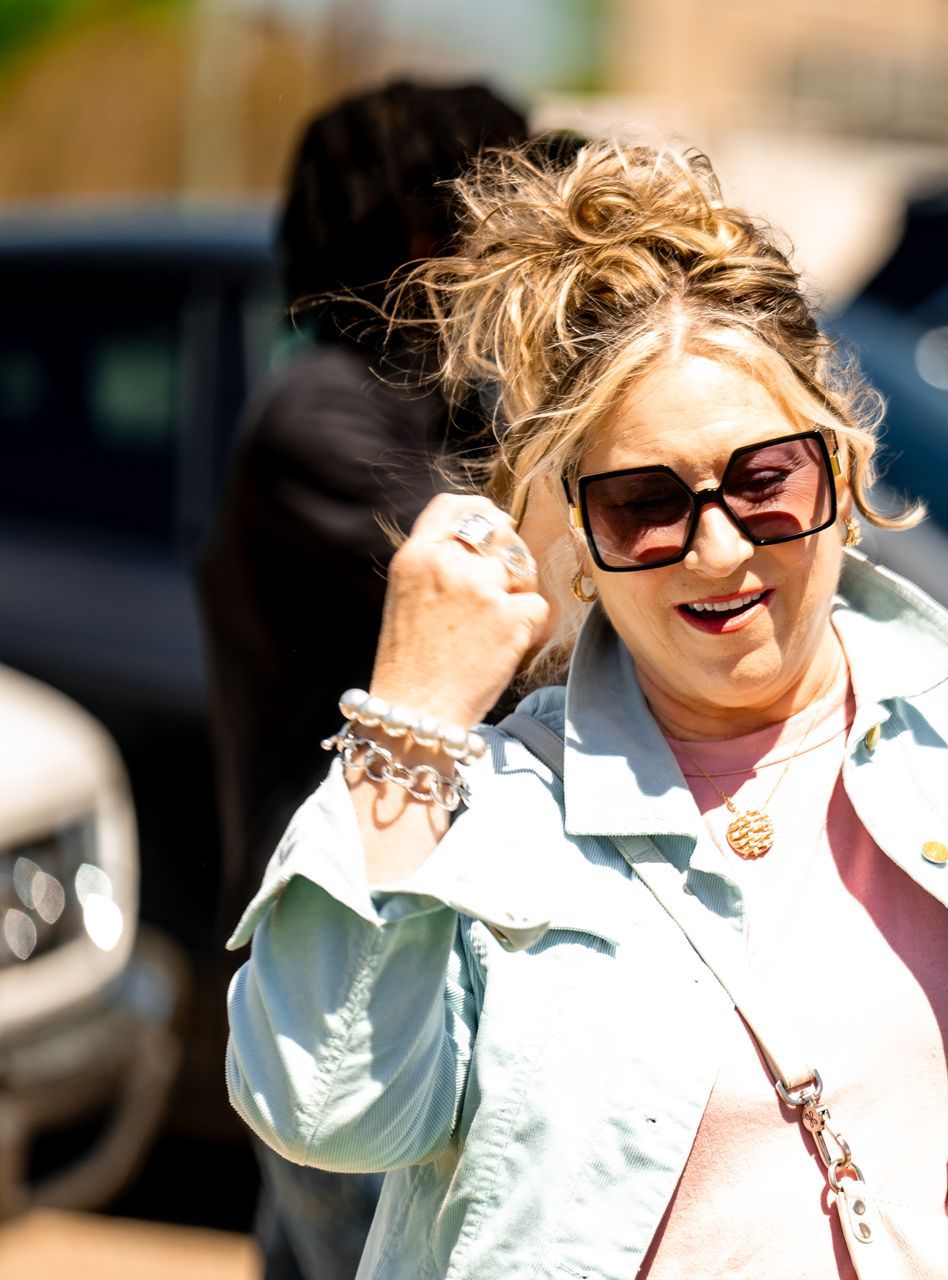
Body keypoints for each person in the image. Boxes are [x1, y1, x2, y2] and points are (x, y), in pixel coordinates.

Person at [222, 138, 948, 1280]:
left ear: (842, 472)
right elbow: (324, 1103)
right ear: (579, 534)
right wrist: (410, 714)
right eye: (645, 505)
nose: (717, 548)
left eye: (764, 483)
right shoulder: (496, 804)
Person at [196, 81, 529, 1280]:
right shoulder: (322, 417)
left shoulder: (428, 403)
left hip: (396, 920)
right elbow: (518, 600)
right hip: (339, 934)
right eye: (498, 202)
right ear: (422, 231)